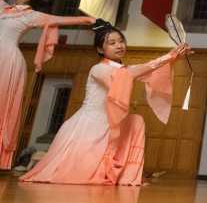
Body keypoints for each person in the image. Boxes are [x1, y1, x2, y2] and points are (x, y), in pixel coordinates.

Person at [19, 19, 191, 185]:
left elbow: (146, 71)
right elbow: (131, 74)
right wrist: (169, 56)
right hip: (90, 126)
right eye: (112, 43)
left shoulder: (124, 69)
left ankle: (124, 174)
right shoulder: (99, 69)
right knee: (79, 175)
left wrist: (175, 57)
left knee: (136, 121)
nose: (119, 45)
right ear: (100, 49)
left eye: (121, 41)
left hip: (109, 125)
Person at [0, 0, 95, 170]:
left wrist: (88, 20)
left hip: (7, 59)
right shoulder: (4, 8)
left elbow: (59, 20)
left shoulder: (31, 15)